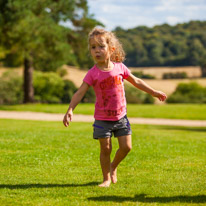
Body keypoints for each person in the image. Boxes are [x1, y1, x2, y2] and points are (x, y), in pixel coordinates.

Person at [63, 27, 167, 187]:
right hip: (102, 119)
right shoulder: (92, 73)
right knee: (105, 149)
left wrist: (153, 92)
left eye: (101, 46)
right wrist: (70, 109)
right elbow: (79, 93)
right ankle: (105, 179)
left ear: (111, 49)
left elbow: (136, 81)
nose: (97, 50)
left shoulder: (120, 68)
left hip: (121, 117)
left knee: (126, 147)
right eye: (93, 47)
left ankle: (113, 167)